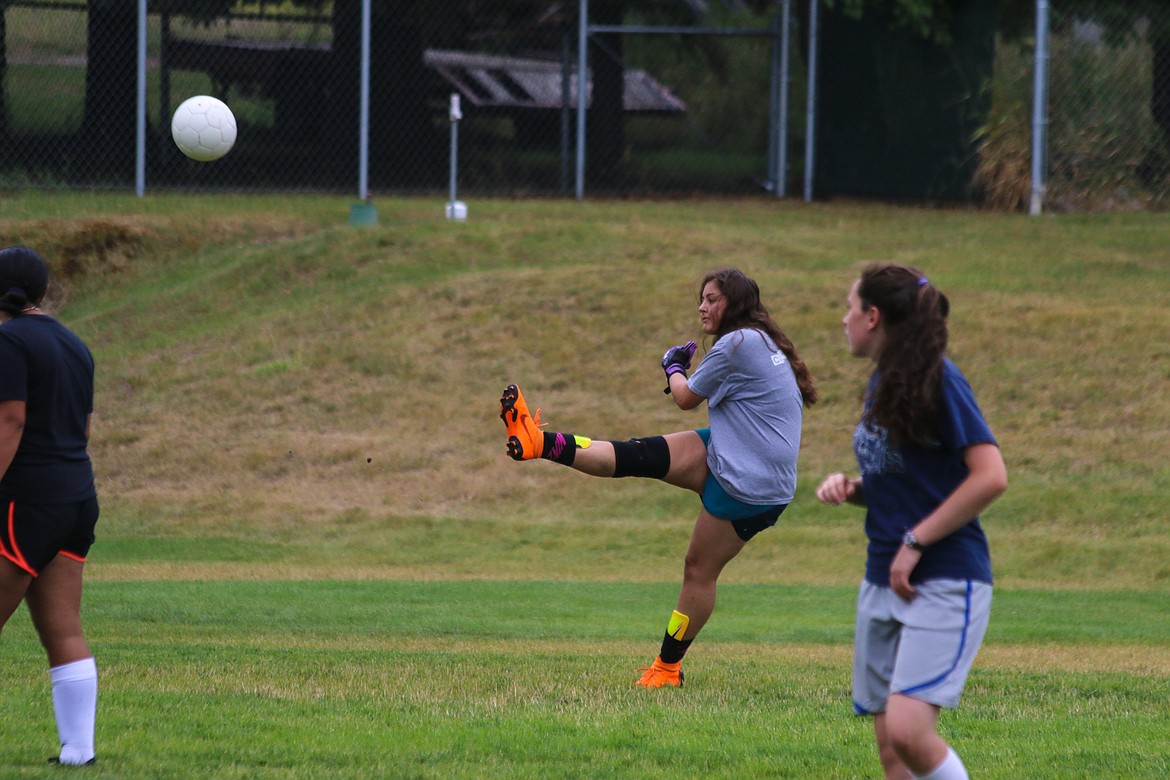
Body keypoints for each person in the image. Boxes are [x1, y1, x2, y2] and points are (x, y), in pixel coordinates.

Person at [499, 267, 816, 688]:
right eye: (701, 299)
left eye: (712, 299)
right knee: (638, 455)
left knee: (697, 571)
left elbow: (684, 398)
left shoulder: (738, 343)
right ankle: (538, 441)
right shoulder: (758, 340)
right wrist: (681, 368)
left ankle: (667, 668)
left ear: (735, 304)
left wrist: (673, 366)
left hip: (750, 487)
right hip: (734, 453)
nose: (703, 307)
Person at [815, 262, 1007, 780]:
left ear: (873, 316)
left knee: (908, 731)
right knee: (890, 752)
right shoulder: (884, 383)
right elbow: (907, 483)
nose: (843, 319)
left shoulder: (940, 379)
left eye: (849, 308)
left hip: (943, 578)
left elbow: (990, 476)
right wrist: (856, 489)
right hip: (882, 580)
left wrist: (916, 541)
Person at [0, 246, 100, 766]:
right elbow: (81, 429)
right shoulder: (74, 343)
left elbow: (10, 422)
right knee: (62, 627)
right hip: (77, 498)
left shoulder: (8, 340)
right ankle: (79, 752)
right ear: (41, 291)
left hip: (29, 501)